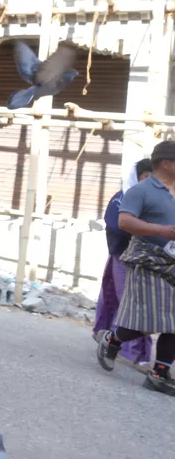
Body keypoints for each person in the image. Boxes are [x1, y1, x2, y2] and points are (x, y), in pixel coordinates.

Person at [97, 140, 175, 396]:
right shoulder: (141, 191)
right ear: (166, 163)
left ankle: (159, 374)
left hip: (173, 261)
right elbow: (125, 221)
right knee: (151, 321)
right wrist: (161, 230)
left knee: (173, 321)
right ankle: (112, 339)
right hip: (147, 260)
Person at [92, 158, 154, 365]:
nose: (148, 182)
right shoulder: (121, 198)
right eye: (145, 177)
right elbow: (116, 226)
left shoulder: (158, 200)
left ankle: (121, 345)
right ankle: (134, 352)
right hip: (124, 257)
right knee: (131, 303)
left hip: (152, 261)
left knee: (140, 305)